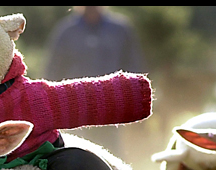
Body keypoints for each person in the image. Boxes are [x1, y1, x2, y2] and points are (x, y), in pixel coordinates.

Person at [45, 6, 146, 155]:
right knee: (79, 153)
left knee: (112, 153)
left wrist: (137, 100)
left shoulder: (120, 29)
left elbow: (133, 66)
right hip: (76, 107)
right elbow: (53, 71)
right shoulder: (66, 32)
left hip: (112, 106)